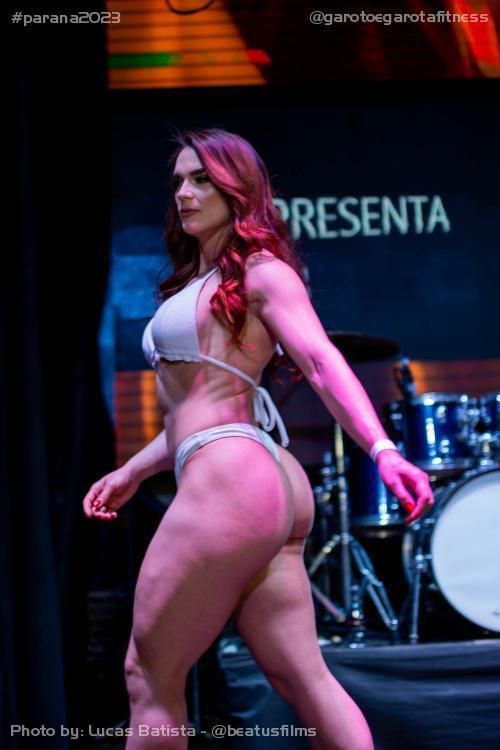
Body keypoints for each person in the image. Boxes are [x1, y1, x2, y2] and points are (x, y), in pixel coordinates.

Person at [83, 128, 434, 750]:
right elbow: (193, 412)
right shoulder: (208, 278)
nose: (185, 193)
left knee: (147, 675)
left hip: (231, 478)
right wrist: (133, 471)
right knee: (302, 676)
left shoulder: (262, 271)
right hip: (260, 475)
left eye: (202, 180)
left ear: (237, 189)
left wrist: (383, 451)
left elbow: (321, 362)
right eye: (179, 181)